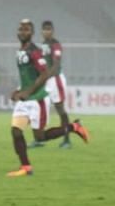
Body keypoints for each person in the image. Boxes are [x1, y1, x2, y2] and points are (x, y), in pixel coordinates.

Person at [8, 19, 88, 177]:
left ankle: (74, 127)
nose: (22, 32)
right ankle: (26, 167)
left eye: (26, 30)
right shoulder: (21, 51)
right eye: (20, 29)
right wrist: (18, 91)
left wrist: (28, 92)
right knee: (16, 131)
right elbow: (27, 76)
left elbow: (44, 73)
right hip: (25, 99)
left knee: (40, 137)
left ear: (31, 33)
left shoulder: (35, 51)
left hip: (37, 99)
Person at [33, 20, 72, 149]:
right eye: (44, 29)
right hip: (46, 79)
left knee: (60, 109)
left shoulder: (56, 45)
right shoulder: (43, 45)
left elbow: (55, 65)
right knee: (38, 108)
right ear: (41, 31)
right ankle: (39, 139)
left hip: (56, 80)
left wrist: (44, 78)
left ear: (52, 31)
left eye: (49, 29)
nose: (47, 31)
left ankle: (67, 139)